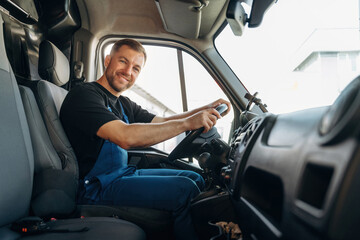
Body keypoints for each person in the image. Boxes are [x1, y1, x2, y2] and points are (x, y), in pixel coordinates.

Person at [60, 39, 231, 240]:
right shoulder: (84, 95)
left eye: (136, 68)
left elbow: (163, 121)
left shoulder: (122, 103)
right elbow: (125, 136)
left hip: (120, 175)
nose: (128, 71)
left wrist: (203, 110)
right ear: (108, 60)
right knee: (185, 190)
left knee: (196, 178)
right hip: (96, 187)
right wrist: (188, 124)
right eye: (123, 61)